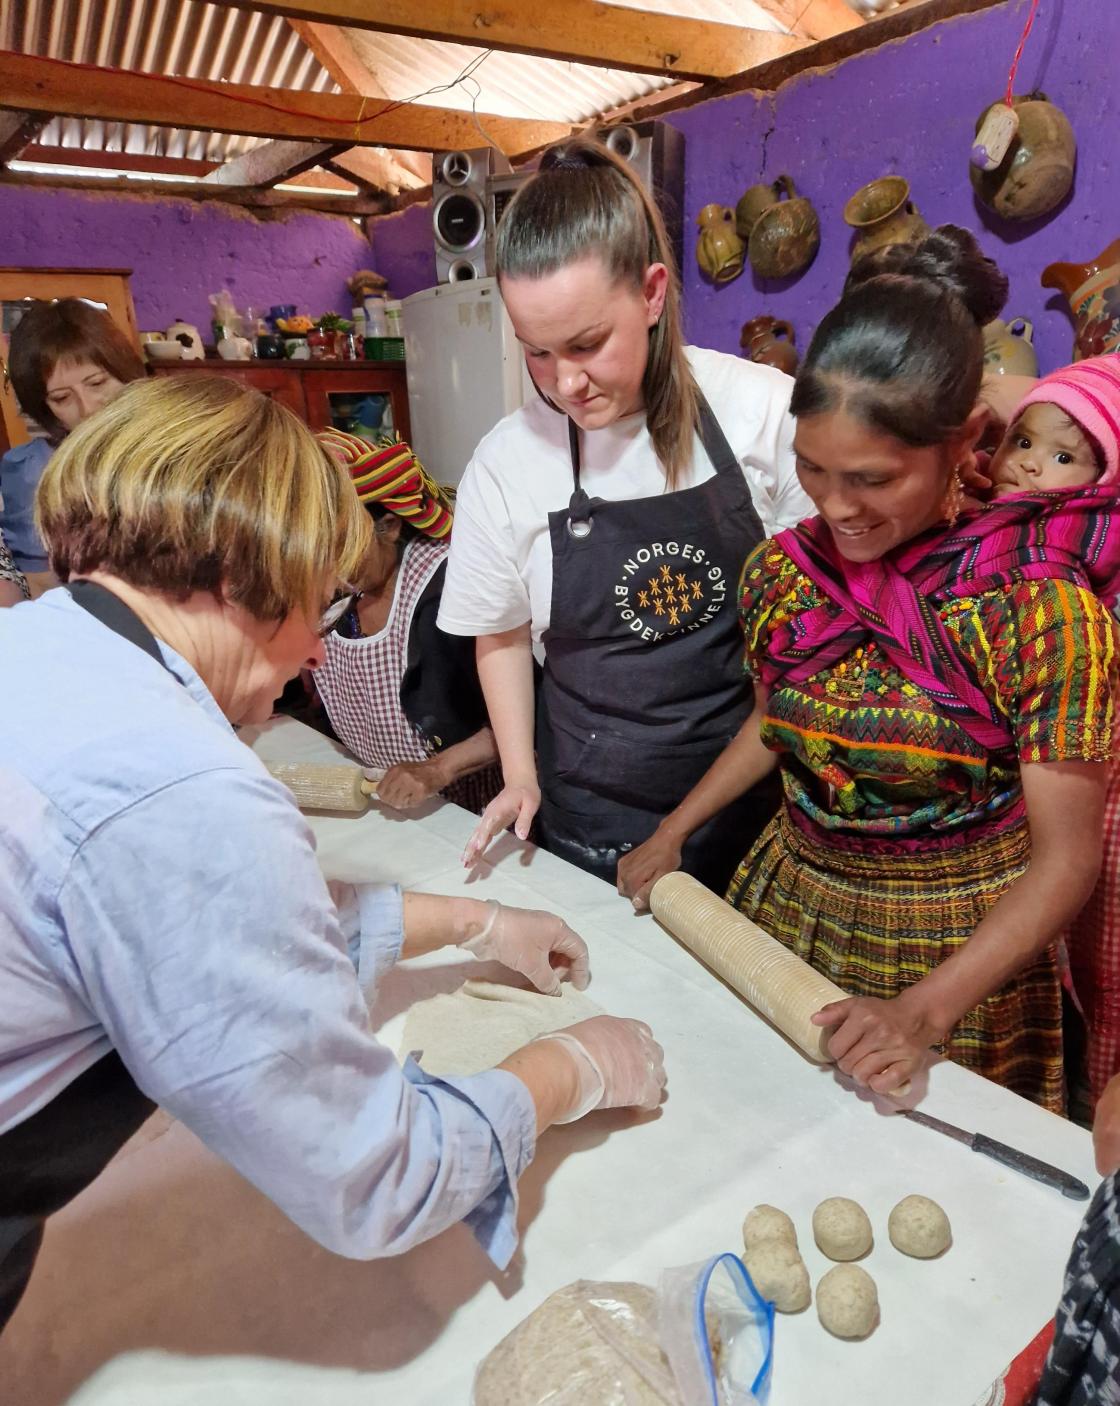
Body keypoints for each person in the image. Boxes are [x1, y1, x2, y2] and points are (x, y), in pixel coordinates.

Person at [0, 375, 666, 1332]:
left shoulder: (39, 648)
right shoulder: (182, 792)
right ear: (241, 578)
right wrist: (569, 1068)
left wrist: (472, 919)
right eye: (316, 603)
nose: (318, 650)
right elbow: (379, 1179)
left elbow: (215, 939)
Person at [619, 227, 1120, 1111]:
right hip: (791, 915)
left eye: (873, 479)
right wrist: (676, 829)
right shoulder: (785, 576)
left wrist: (921, 1016)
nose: (836, 506)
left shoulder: (1038, 613)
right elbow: (776, 720)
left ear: (965, 439)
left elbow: (1067, 861)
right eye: (812, 469)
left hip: (959, 964)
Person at [437, 135, 810, 891]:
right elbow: (502, 633)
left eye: (586, 343)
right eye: (536, 353)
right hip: (589, 820)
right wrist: (518, 772)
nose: (564, 383)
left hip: (755, 813)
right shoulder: (506, 463)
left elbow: (812, 624)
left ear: (651, 292)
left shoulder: (761, 413)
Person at [987, 358, 1120, 1114]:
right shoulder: (990, 528)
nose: (1032, 465)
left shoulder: (1076, 551)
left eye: (1065, 457)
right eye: (1024, 443)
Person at [313, 428, 501, 813]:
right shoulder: (332, 596)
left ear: (390, 525)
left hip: (465, 807)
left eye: (345, 545)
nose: (332, 567)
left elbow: (528, 720)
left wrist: (437, 769)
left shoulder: (445, 591)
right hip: (379, 795)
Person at [0, 298, 145, 596]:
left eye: (96, 383)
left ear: (124, 370)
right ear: (44, 408)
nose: (88, 407)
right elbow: (41, 582)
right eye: (62, 398)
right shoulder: (34, 470)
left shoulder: (175, 437)